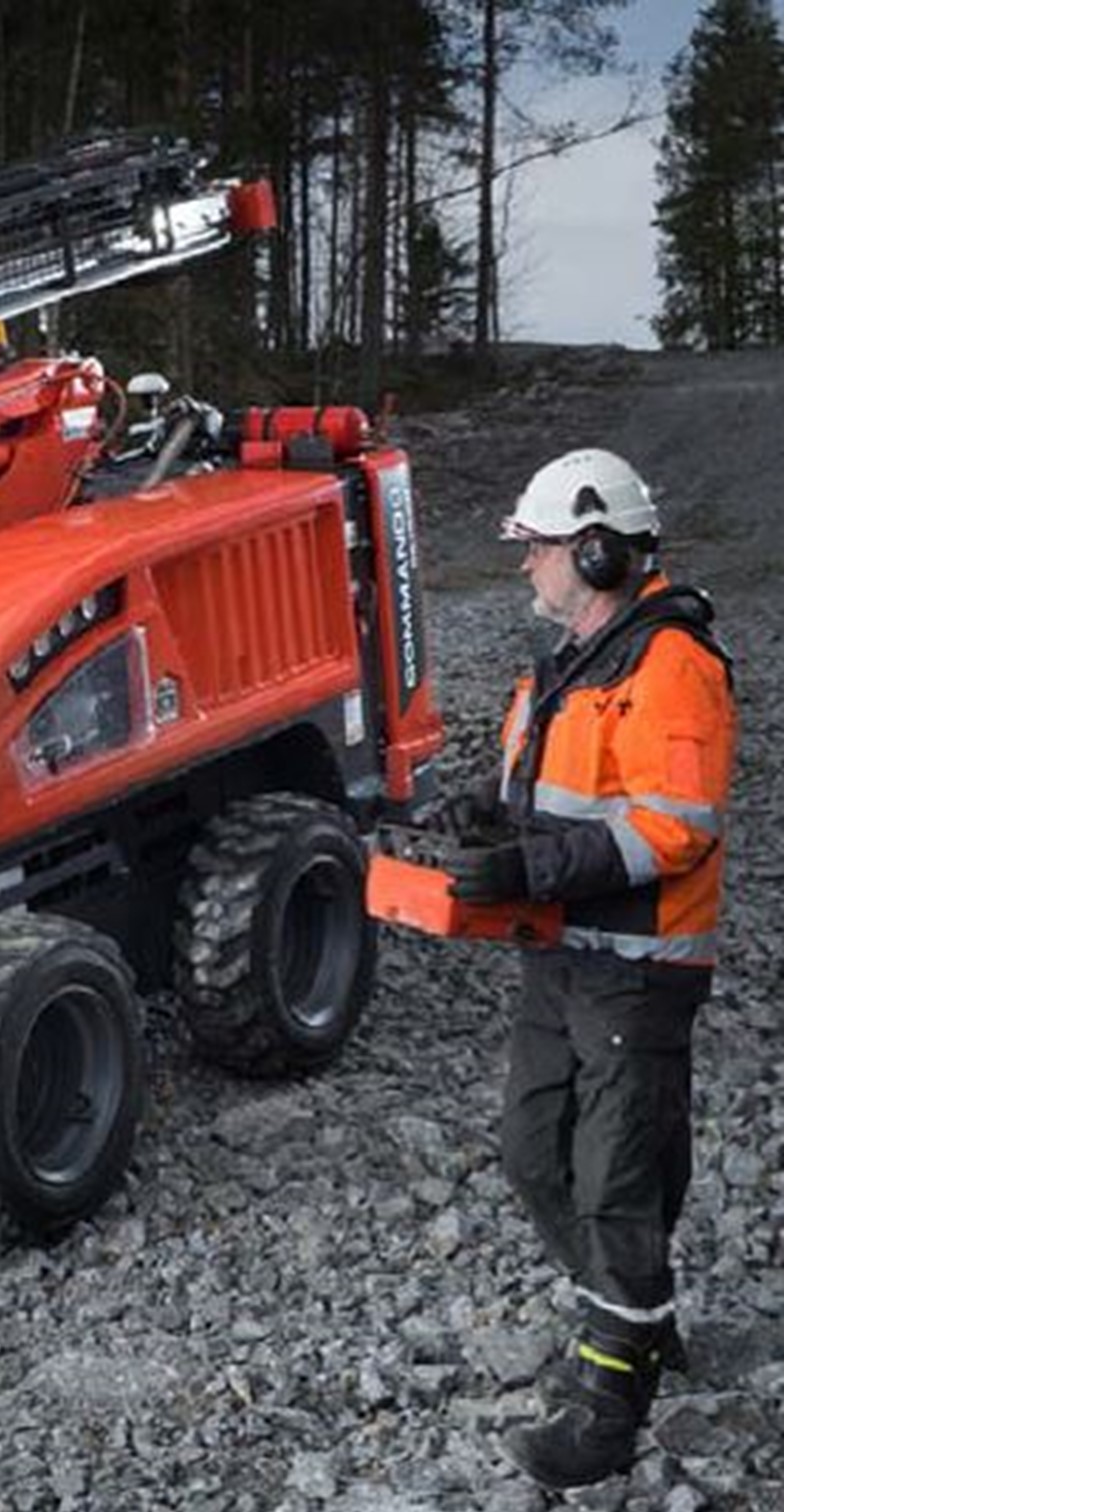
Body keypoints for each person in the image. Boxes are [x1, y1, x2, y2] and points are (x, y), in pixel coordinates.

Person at [438, 448, 738, 1490]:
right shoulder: (570, 657)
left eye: (540, 549)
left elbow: (675, 828)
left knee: (616, 1185)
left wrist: (534, 863)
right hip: (563, 959)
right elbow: (549, 782)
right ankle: (637, 1311)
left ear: (599, 549)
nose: (527, 568)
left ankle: (610, 1409)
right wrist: (490, 812)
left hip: (637, 970)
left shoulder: (671, 667)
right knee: (533, 1152)